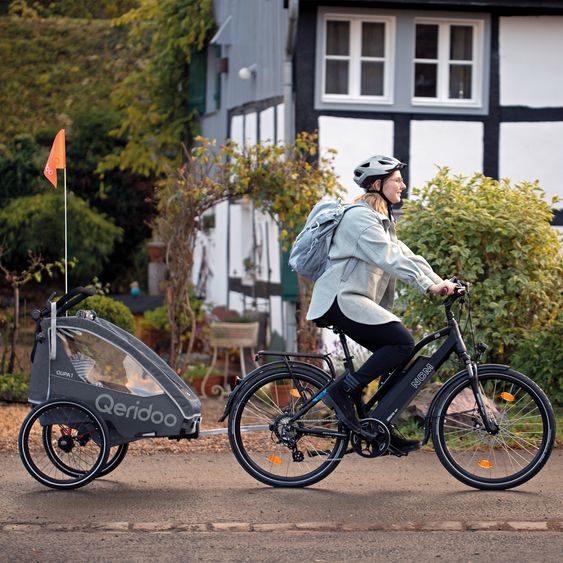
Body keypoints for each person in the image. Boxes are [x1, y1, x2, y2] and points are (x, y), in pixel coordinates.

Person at [307, 154, 456, 452]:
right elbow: (391, 259)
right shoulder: (360, 218)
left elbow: (408, 255)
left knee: (398, 355)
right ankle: (343, 391)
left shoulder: (380, 221)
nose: (402, 184)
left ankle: (380, 425)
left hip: (351, 300)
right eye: (396, 180)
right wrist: (429, 285)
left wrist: (440, 281)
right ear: (378, 184)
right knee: (401, 342)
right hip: (341, 299)